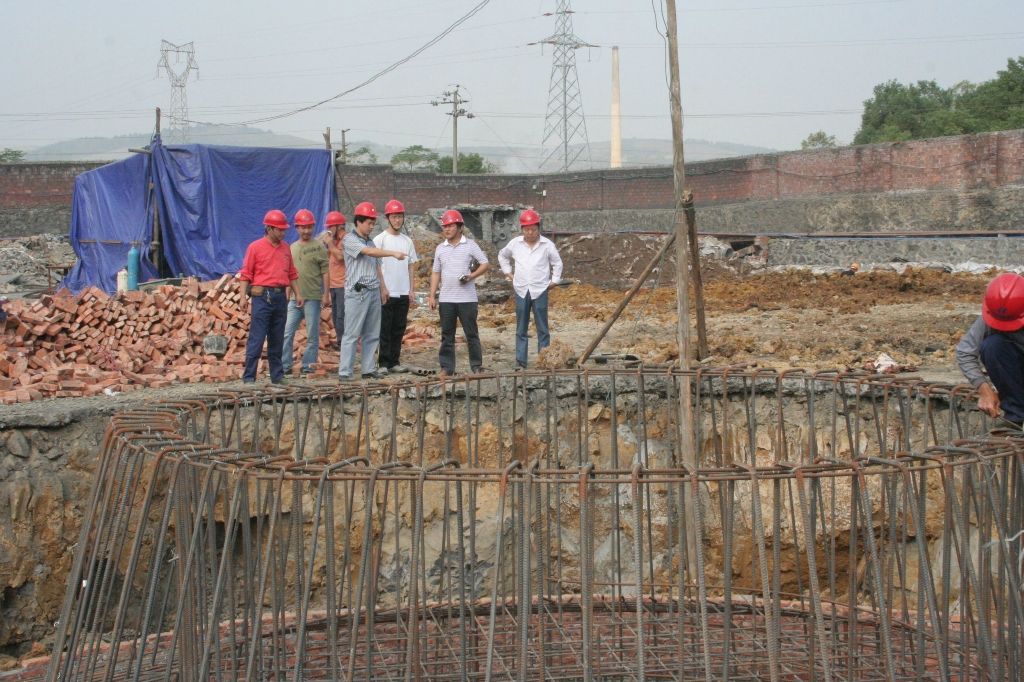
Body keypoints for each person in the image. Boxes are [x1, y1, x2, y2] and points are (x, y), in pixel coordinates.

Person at [338, 201, 407, 381]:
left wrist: (383, 288)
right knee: (352, 334)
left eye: (372, 223)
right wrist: (392, 253)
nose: (371, 226)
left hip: (373, 291)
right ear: (358, 222)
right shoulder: (350, 239)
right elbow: (368, 252)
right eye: (368, 223)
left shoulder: (370, 240)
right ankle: (345, 372)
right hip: (357, 293)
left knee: (372, 333)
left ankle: (368, 369)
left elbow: (377, 266)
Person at [238, 209, 300, 384]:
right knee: (257, 338)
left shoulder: (286, 248)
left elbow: (292, 274)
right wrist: (243, 297)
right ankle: (249, 377)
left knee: (277, 338)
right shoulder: (255, 247)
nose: (283, 233)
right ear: (269, 228)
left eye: (284, 230)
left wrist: (298, 293)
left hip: (280, 297)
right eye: (279, 230)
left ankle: (277, 376)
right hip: (262, 297)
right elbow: (246, 274)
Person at [956, 272, 1024, 428]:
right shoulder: (994, 315)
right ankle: (1016, 417)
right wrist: (984, 389)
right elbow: (965, 352)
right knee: (993, 346)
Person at [498, 209, 563, 369]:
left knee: (542, 327)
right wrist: (508, 272)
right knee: (521, 327)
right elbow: (502, 255)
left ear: (538, 228)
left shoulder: (547, 245)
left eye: (533, 229)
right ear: (522, 229)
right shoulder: (515, 244)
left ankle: (544, 360)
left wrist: (554, 280)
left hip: (540, 289)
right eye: (527, 229)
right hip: (521, 289)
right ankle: (521, 361)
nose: (530, 233)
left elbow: (557, 263)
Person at [428, 209, 490, 376]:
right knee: (447, 335)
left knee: (471, 334)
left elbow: (485, 263)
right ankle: (447, 368)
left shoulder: (470, 245)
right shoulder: (440, 248)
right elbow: (436, 273)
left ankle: (476, 366)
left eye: (450, 226)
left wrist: (471, 276)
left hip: (467, 299)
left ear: (460, 227)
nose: (446, 229)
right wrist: (432, 295)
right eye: (444, 226)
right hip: (447, 299)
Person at [281, 208, 330, 375]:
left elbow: (325, 272)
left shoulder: (319, 248)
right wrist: (287, 293)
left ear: (313, 227)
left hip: (313, 298)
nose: (306, 231)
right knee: (287, 332)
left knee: (312, 335)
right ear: (297, 228)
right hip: (295, 299)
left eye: (309, 227)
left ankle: (308, 366)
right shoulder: (291, 248)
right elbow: (289, 273)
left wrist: (326, 294)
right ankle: (285, 365)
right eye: (303, 227)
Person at [373, 199, 419, 373]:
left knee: (399, 328)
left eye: (400, 216)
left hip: (403, 291)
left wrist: (411, 289)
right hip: (387, 291)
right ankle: (383, 363)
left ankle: (394, 361)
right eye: (394, 217)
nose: (397, 220)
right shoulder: (380, 239)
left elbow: (411, 265)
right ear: (388, 218)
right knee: (384, 328)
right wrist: (382, 288)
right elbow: (376, 265)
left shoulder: (407, 241)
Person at [322, 210, 347, 350]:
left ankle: (344, 343)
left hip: (343, 284)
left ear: (338, 226)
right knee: (336, 315)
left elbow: (340, 257)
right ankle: (340, 341)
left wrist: (330, 244)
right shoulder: (335, 240)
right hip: (334, 284)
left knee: (341, 316)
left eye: (330, 227)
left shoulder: (346, 239)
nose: (329, 231)